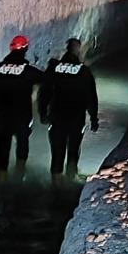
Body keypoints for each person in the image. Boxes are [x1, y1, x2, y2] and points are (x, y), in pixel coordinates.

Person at [0, 35, 45, 182]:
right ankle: (19, 177)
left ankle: (0, 181)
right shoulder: (28, 71)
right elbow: (47, 80)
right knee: (22, 145)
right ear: (25, 49)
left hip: (3, 117)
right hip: (22, 116)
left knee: (2, 149)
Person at [39, 38, 99, 182]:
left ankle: (55, 183)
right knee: (73, 150)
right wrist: (93, 118)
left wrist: (43, 113)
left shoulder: (54, 69)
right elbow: (91, 97)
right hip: (76, 118)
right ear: (78, 51)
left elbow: (44, 93)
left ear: (66, 50)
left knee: (57, 151)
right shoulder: (84, 72)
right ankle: (70, 180)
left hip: (57, 117)